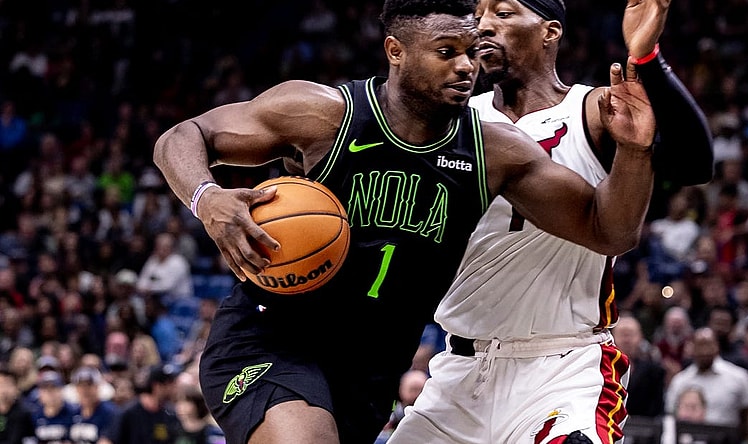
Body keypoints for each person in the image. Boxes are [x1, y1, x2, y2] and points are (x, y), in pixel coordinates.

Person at [152, 0, 658, 442]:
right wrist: (207, 197)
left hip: (371, 371)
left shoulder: (494, 151)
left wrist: (634, 153)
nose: (466, 66)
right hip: (274, 338)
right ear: (396, 51)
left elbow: (608, 230)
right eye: (446, 52)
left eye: (470, 50)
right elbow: (184, 136)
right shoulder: (324, 114)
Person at [388, 0, 712, 443]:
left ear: (549, 32)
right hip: (458, 372)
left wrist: (646, 60)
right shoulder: (454, 118)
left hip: (562, 366)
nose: (483, 24)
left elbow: (695, 162)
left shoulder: (592, 109)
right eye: (479, 13)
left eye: (502, 13)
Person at [664, 327, 748, 427]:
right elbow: (671, 415)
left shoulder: (739, 377)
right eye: (700, 346)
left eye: (708, 345)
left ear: (716, 346)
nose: (704, 351)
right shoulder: (680, 381)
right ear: (692, 348)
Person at [105, 364, 181, 444]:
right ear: (157, 386)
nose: (175, 388)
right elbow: (107, 440)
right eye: (171, 384)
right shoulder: (129, 413)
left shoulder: (169, 413)